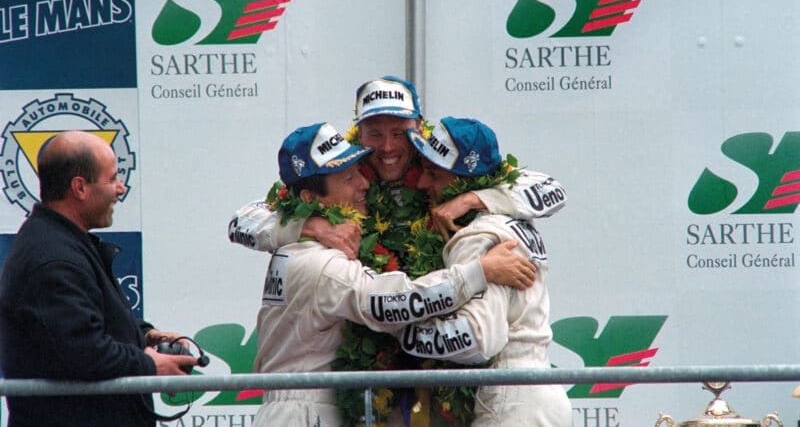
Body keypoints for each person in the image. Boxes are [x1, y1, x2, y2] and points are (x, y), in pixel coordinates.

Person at [252, 122, 538, 427]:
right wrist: (480, 271)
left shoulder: (296, 243)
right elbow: (391, 303)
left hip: (296, 406)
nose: (364, 184)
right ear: (310, 198)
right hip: (304, 411)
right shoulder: (321, 264)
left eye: (359, 172)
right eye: (349, 178)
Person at [228, 75, 567, 258]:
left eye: (399, 133)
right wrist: (312, 226)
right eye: (375, 134)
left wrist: (472, 199)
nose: (388, 147)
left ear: (420, 129)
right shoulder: (338, 174)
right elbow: (240, 223)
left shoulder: (446, 161)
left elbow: (553, 191)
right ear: (357, 133)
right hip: (363, 332)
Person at [0, 130, 199, 427]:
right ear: (79, 187)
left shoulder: (61, 243)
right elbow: (82, 352)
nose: (120, 188)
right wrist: (149, 364)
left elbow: (88, 326)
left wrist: (146, 335)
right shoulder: (52, 258)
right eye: (112, 179)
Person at [399, 117, 572, 426]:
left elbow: (480, 339)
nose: (422, 183)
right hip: (544, 392)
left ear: (463, 181)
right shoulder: (511, 216)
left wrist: (398, 328)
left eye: (434, 174)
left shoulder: (477, 236)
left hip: (510, 399)